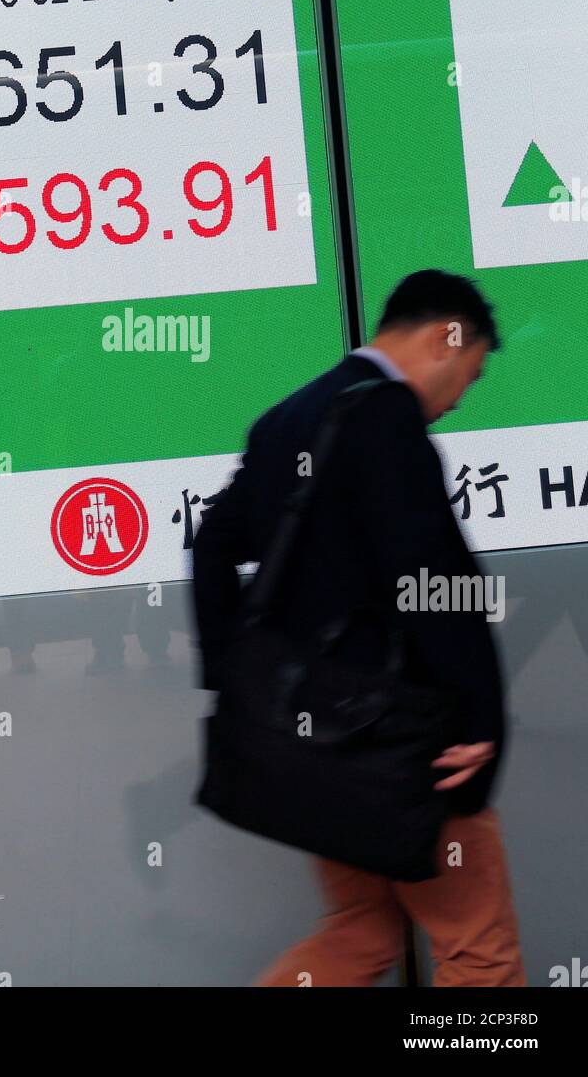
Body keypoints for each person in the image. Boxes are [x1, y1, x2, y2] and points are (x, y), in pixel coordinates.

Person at [192, 270, 525, 986]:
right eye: (468, 376)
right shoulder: (386, 420)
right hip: (411, 747)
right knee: (476, 946)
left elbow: (214, 543)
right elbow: (429, 579)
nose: (457, 399)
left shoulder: (289, 419)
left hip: (320, 746)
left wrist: (233, 679)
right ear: (447, 336)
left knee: (361, 931)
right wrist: (480, 717)